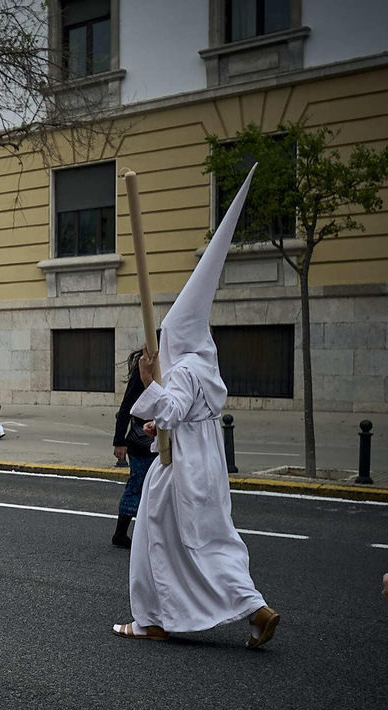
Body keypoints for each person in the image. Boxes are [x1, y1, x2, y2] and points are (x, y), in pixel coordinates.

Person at [113, 166, 280, 649]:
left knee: (152, 536)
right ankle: (255, 608)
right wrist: (154, 411)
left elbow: (170, 411)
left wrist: (148, 382)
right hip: (207, 464)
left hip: (178, 465)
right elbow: (178, 414)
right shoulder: (207, 366)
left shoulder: (183, 369)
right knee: (214, 539)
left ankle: (151, 620)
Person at [111, 348, 156, 548]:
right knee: (137, 485)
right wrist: (119, 441)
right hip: (142, 441)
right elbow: (126, 406)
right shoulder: (143, 373)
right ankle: (120, 533)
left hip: (161, 439)